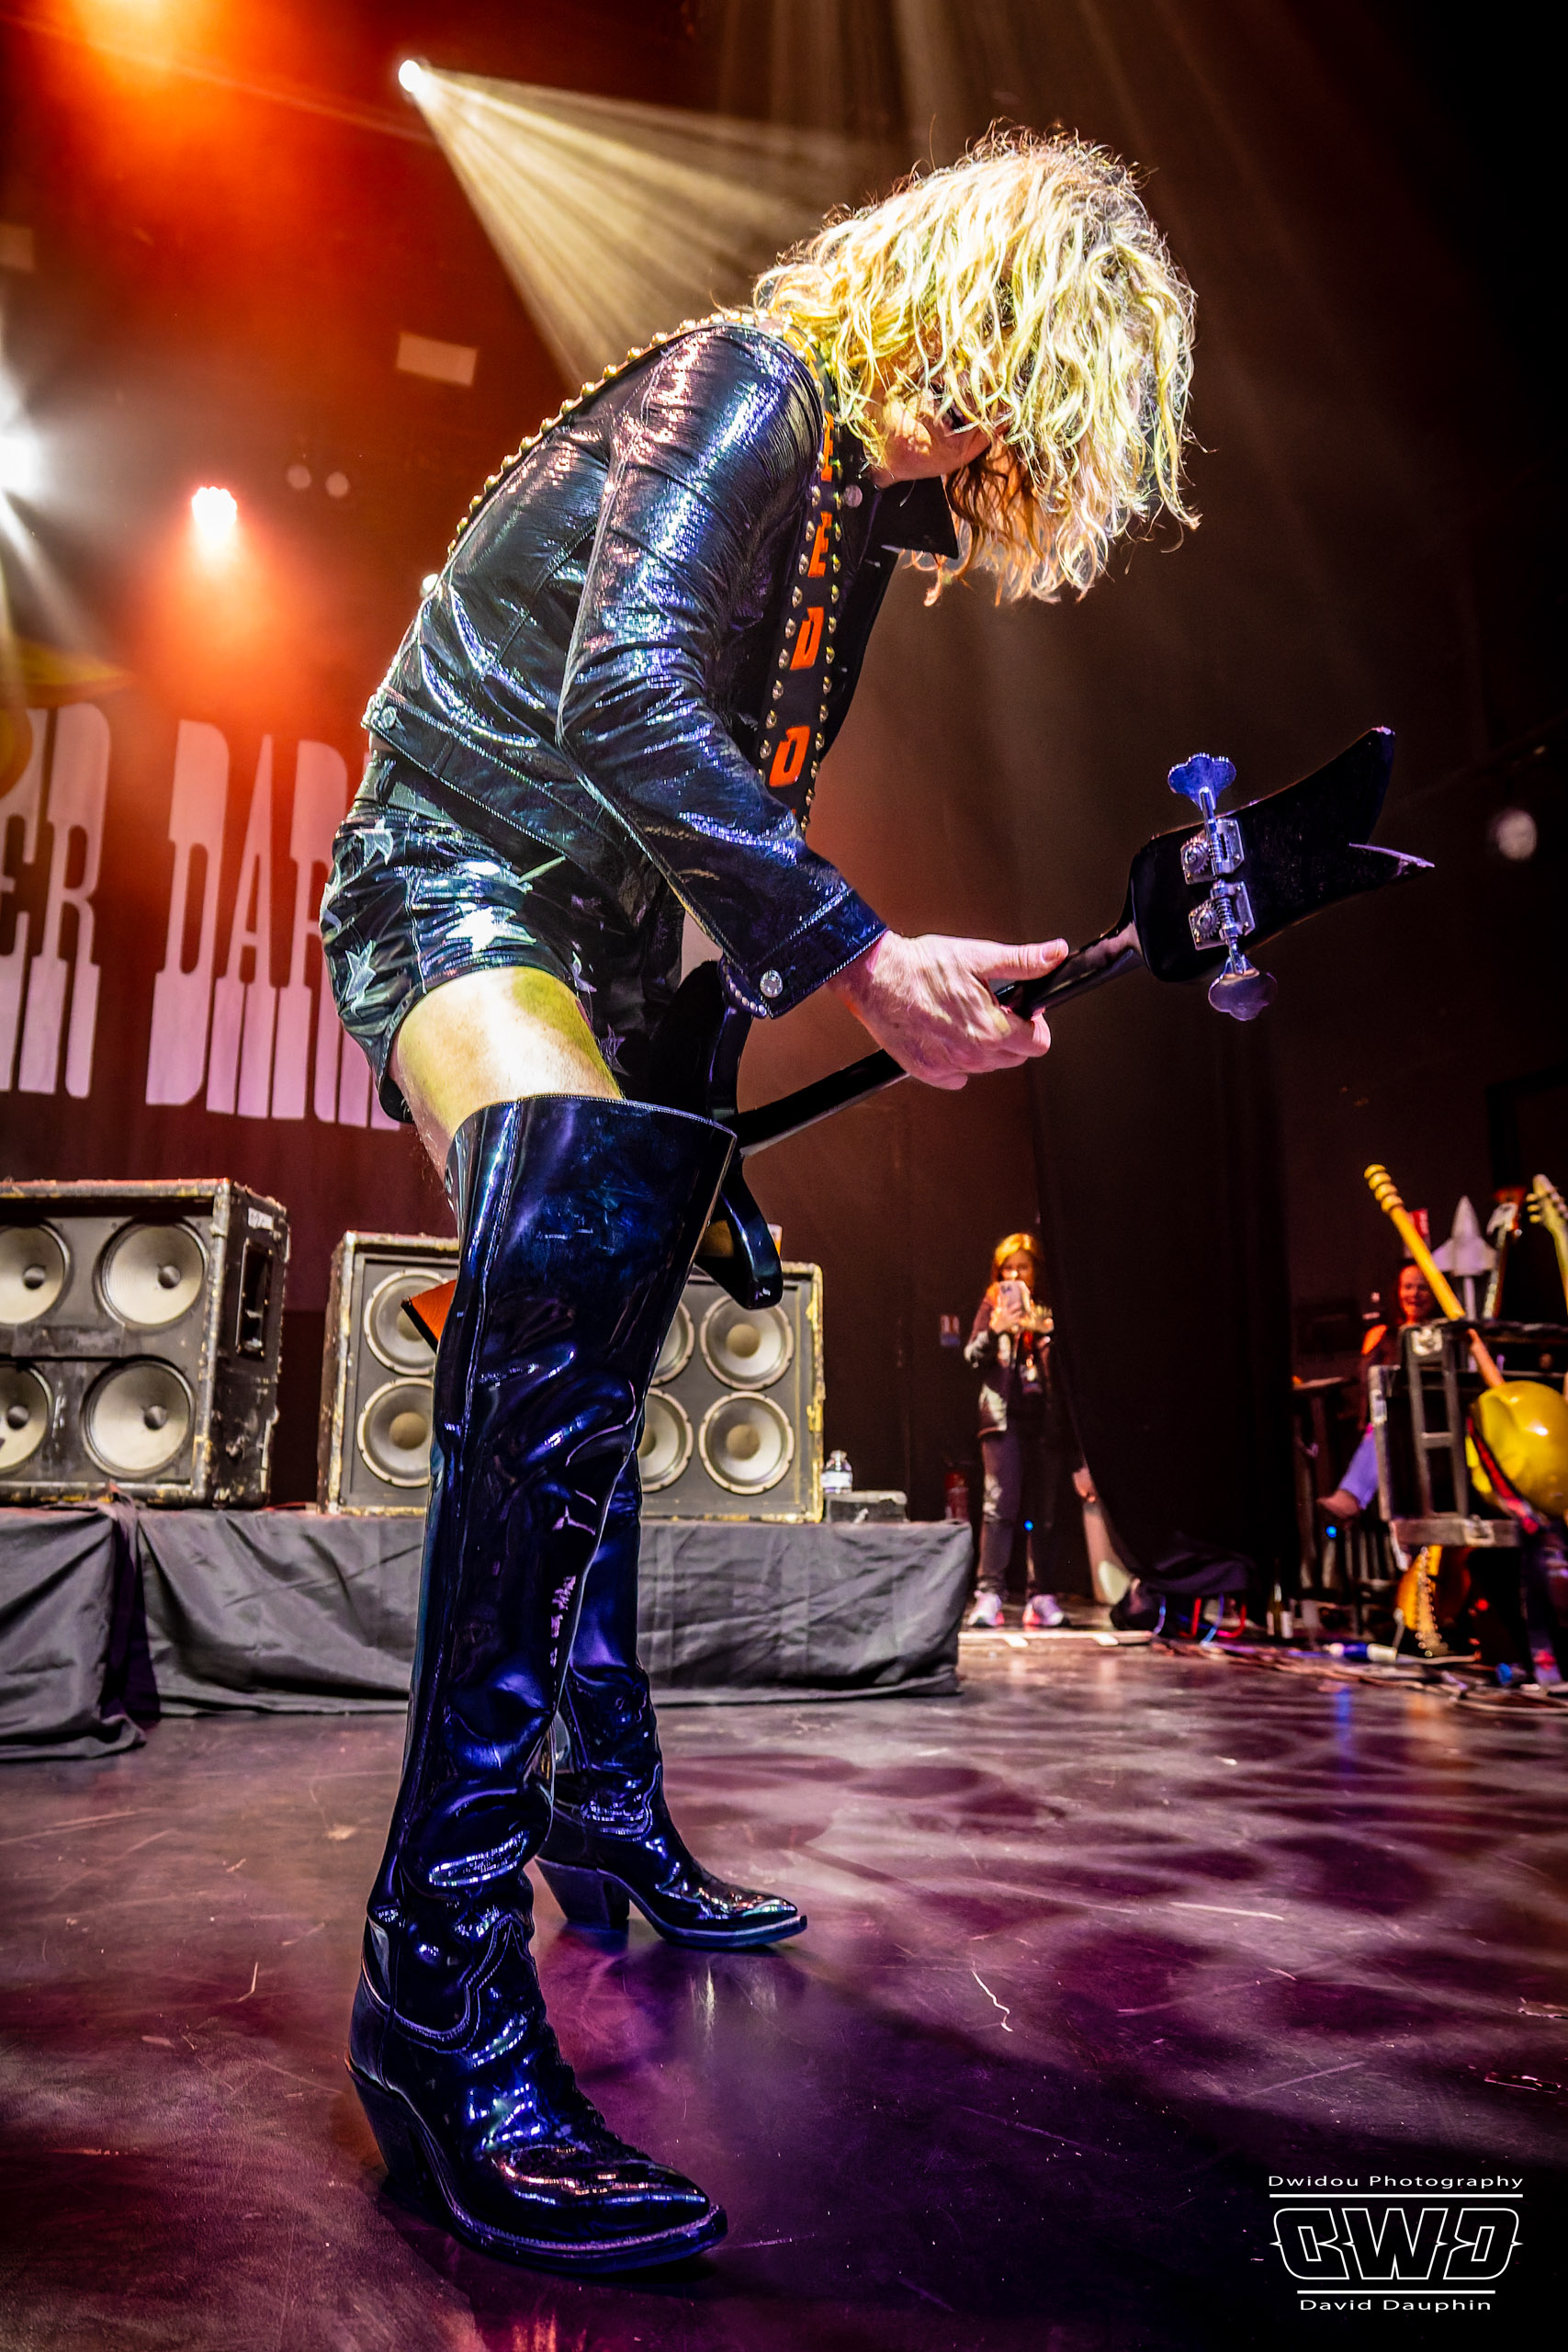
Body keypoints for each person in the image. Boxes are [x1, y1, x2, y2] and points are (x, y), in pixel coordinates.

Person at [319, 129, 1195, 2272]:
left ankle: (600, 1809)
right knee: (565, 1267)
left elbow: (721, 833)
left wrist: (740, 1078)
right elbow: (616, 695)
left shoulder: (847, 528)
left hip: (607, 947)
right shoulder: (746, 387)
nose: (1005, 456)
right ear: (975, 327)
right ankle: (434, 1997)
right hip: (449, 876)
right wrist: (857, 956)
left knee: (598, 1314)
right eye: (1025, 394)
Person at [964, 1232, 1075, 1628]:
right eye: (1007, 1268)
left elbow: (1066, 1371)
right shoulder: (992, 1305)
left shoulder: (1049, 1311)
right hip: (1002, 1418)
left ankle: (1041, 1595)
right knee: (1000, 1506)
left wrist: (1045, 1331)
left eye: (1022, 1267)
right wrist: (997, 1330)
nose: (1014, 1274)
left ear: (1035, 1270)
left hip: (1045, 1420)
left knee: (1044, 1513)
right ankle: (989, 1594)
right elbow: (971, 1356)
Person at [1321, 1262, 1438, 1521]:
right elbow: (1364, 1381)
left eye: (1423, 1288)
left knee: (1386, 1430)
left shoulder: (1438, 1335)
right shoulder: (1381, 1334)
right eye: (1408, 1287)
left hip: (1420, 1421)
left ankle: (1352, 1497)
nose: (1415, 1294)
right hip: (1378, 1421)